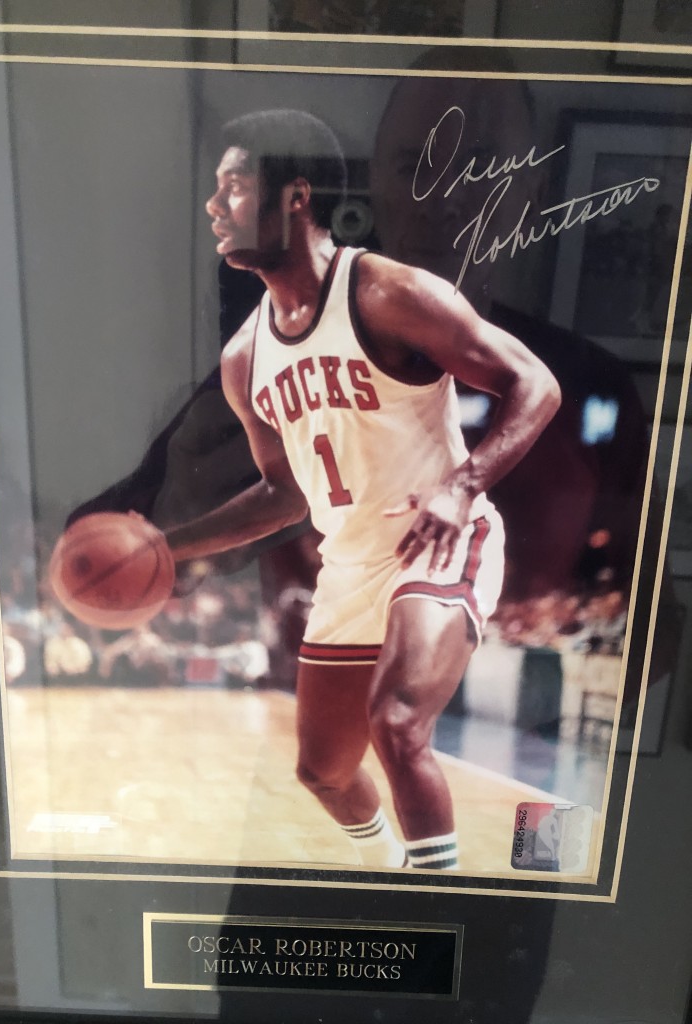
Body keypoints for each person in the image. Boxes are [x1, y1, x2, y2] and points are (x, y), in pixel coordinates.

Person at [163, 109, 561, 871]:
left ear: (295, 197)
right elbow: (284, 495)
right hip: (350, 568)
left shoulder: (387, 293)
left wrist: (463, 486)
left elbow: (533, 384)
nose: (215, 205)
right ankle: (388, 875)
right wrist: (168, 546)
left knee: (400, 724)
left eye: (235, 186)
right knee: (322, 771)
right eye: (214, 190)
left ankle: (443, 911)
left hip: (440, 535)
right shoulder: (245, 360)